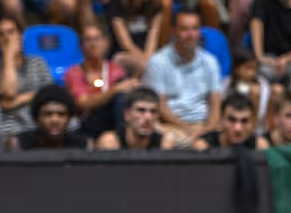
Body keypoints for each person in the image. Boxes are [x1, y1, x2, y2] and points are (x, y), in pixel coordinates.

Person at [144, 9, 224, 141]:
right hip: (171, 125)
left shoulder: (210, 61)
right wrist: (188, 129)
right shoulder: (158, 62)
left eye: (195, 29)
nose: (190, 34)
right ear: (173, 31)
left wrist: (208, 130)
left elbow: (215, 103)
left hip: (203, 123)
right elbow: (160, 106)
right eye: (185, 29)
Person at [65, 22, 140, 141]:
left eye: (97, 39)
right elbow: (83, 104)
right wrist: (114, 90)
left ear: (106, 43)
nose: (93, 44)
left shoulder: (116, 70)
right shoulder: (74, 72)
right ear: (81, 45)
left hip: (112, 120)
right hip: (87, 123)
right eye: (88, 40)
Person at [0, 15, 55, 148]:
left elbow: (49, 94)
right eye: (1, 35)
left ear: (20, 35)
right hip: (6, 127)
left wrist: (22, 99)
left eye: (11, 32)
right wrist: (8, 57)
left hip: (36, 121)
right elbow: (9, 93)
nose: (7, 38)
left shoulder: (38, 62)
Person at [105, 0, 164, 72]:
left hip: (146, 55)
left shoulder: (155, 7)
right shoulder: (116, 6)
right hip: (122, 55)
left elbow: (152, 39)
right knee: (147, 67)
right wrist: (147, 62)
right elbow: (125, 44)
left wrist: (148, 59)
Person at [6, 85, 89, 151]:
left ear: (69, 118)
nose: (54, 120)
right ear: (36, 118)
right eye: (48, 114)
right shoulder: (20, 144)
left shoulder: (82, 145)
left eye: (61, 114)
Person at [96, 88, 176, 150]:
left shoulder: (163, 143)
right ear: (127, 115)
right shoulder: (111, 141)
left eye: (153, 111)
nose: (148, 117)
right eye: (141, 110)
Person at [193, 92, 266, 151]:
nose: (238, 128)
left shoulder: (259, 146)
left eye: (244, 121)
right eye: (232, 120)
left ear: (252, 123)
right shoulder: (204, 146)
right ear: (221, 120)